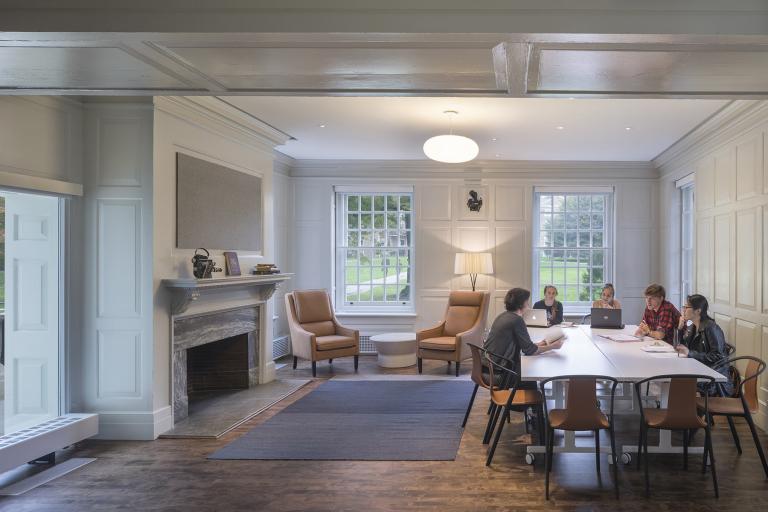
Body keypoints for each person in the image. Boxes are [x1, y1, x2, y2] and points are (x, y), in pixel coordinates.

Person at [483, 288, 565, 380]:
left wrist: (542, 343)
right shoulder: (517, 320)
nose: (528, 305)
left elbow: (525, 346)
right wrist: (553, 347)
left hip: (487, 368)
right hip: (498, 374)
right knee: (531, 374)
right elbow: (530, 351)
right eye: (527, 302)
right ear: (521, 304)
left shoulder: (503, 316)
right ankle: (530, 394)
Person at [675, 294, 732, 396]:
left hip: (713, 380)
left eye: (687, 307)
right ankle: (679, 410)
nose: (683, 310)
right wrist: (680, 328)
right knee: (676, 380)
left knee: (678, 384)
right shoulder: (692, 327)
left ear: (698, 311)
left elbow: (718, 356)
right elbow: (680, 348)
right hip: (699, 370)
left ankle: (684, 410)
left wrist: (690, 353)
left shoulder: (711, 328)